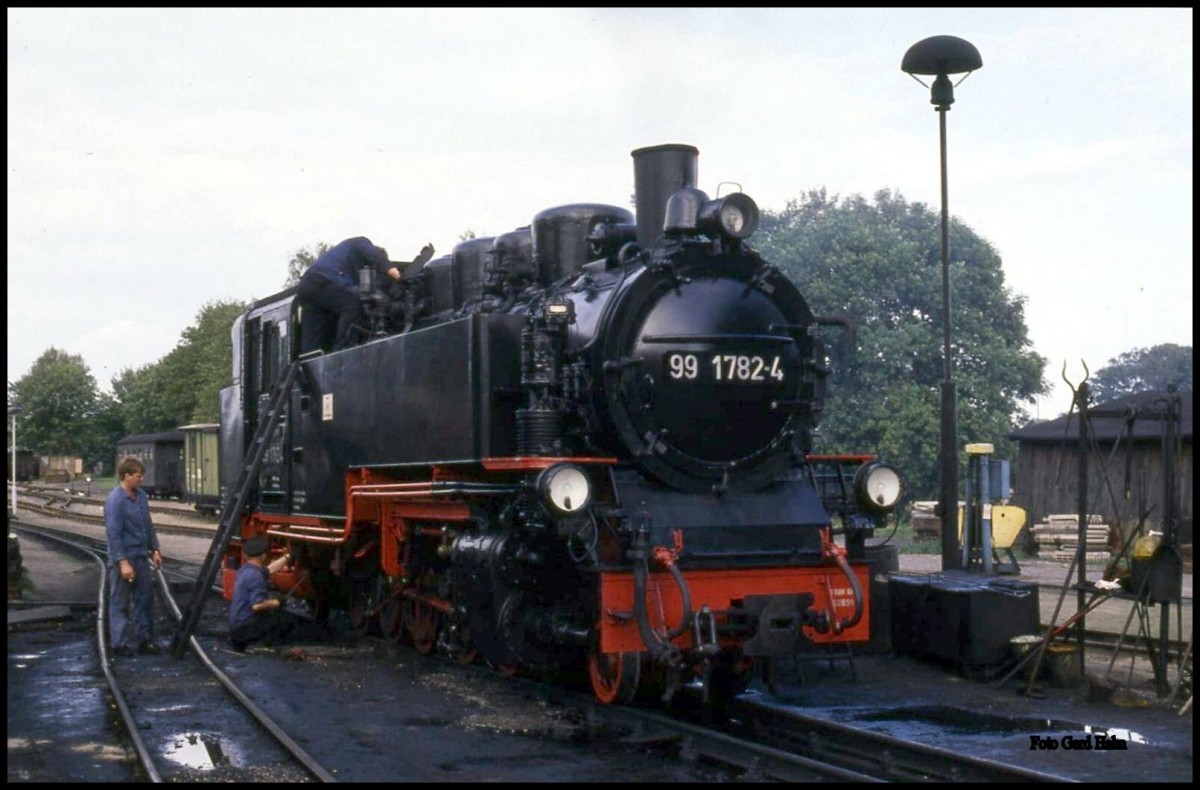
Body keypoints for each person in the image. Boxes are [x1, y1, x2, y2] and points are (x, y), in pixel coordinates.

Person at [295, 237, 398, 353]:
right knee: (354, 302)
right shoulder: (361, 242)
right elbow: (373, 254)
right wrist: (392, 270)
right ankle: (343, 349)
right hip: (325, 279)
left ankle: (310, 358)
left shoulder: (347, 265)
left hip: (306, 287)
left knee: (316, 324)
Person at [104, 456, 163, 657]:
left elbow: (148, 525)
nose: (141, 479)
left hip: (140, 556)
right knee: (120, 602)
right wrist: (122, 562)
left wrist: (154, 549)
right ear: (127, 476)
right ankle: (118, 644)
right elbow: (114, 533)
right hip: (125, 558)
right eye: (138, 476)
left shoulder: (141, 497)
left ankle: (145, 640)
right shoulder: (115, 501)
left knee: (144, 600)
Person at [228, 535, 325, 652]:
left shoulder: (245, 570)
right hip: (245, 629)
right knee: (285, 619)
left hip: (235, 627)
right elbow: (257, 605)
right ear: (263, 556)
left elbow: (270, 569)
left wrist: (289, 556)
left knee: (274, 616)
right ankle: (263, 646)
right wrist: (277, 602)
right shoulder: (256, 576)